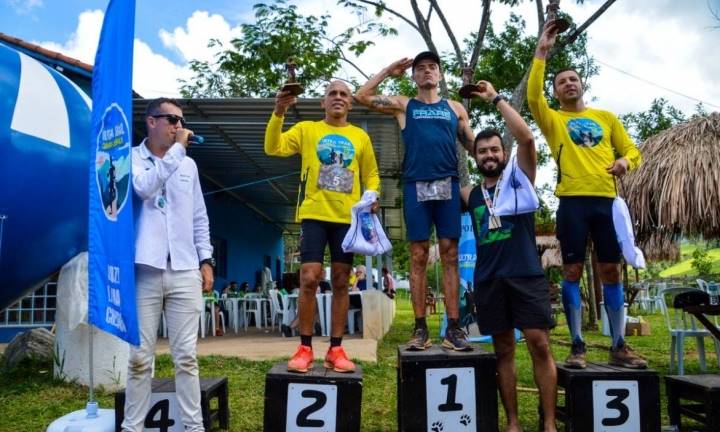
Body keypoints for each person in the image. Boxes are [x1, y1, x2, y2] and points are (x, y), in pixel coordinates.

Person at [529, 22, 645, 369]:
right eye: (561, 81)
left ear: (582, 85)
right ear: (556, 91)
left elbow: (632, 150)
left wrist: (625, 161)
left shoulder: (606, 117)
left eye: (573, 79)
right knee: (572, 270)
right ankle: (577, 345)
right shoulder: (553, 120)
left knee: (611, 269)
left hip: (607, 203)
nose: (568, 84)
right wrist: (542, 52)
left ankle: (618, 345)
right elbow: (533, 96)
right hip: (572, 203)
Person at [356, 52, 476, 351]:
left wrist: (497, 169)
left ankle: (454, 327)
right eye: (420, 68)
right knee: (419, 254)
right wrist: (388, 69)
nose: (426, 72)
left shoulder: (455, 108)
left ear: (440, 75)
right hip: (416, 185)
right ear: (414, 76)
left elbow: (473, 145)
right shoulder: (404, 105)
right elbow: (362, 95)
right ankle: (420, 328)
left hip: (448, 184)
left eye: (432, 67)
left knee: (449, 253)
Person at [265, 80, 381, 373]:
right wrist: (278, 111)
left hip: (347, 219)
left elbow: (372, 175)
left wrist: (373, 196)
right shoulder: (307, 130)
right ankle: (305, 348)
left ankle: (336, 349)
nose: (338, 98)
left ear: (350, 103)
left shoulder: (360, 137)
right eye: (332, 94)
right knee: (309, 277)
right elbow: (273, 147)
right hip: (314, 214)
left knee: (342, 280)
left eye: (344, 94)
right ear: (323, 102)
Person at [461, 81, 557, 432]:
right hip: (488, 279)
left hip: (526, 274)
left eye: (494, 150)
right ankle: (513, 424)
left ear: (504, 153)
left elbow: (528, 139)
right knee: (503, 350)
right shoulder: (469, 194)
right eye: (482, 151)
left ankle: (548, 424)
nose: (489, 155)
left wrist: (496, 99)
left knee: (539, 344)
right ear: (476, 157)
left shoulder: (521, 180)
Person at [123, 97, 214, 432]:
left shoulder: (188, 167)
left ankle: (194, 427)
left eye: (180, 120)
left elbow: (199, 217)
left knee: (186, 358)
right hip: (144, 269)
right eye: (171, 119)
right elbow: (144, 189)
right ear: (151, 122)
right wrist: (177, 152)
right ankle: (132, 427)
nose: (178, 126)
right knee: (138, 359)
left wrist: (206, 259)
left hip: (185, 268)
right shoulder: (131, 158)